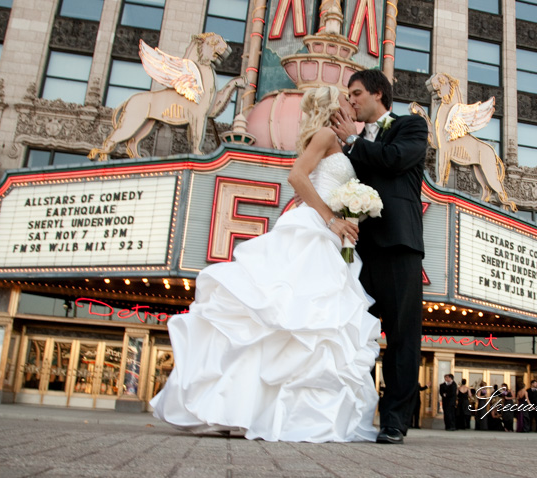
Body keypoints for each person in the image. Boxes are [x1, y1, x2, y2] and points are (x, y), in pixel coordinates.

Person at [150, 86, 379, 442]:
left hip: (333, 239)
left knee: (305, 327)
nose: (351, 103)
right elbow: (297, 176)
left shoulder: (341, 140)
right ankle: (246, 407)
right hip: (314, 232)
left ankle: (265, 410)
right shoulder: (323, 135)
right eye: (346, 99)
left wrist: (346, 216)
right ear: (332, 105)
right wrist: (331, 219)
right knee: (288, 321)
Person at [331, 69, 429, 445]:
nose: (351, 100)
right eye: (348, 95)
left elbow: (393, 160)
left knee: (402, 337)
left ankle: (394, 422)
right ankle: (349, 412)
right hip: (357, 249)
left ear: (378, 94)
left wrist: (353, 140)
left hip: (399, 246)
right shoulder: (346, 143)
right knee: (354, 333)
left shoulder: (411, 126)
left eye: (356, 93)